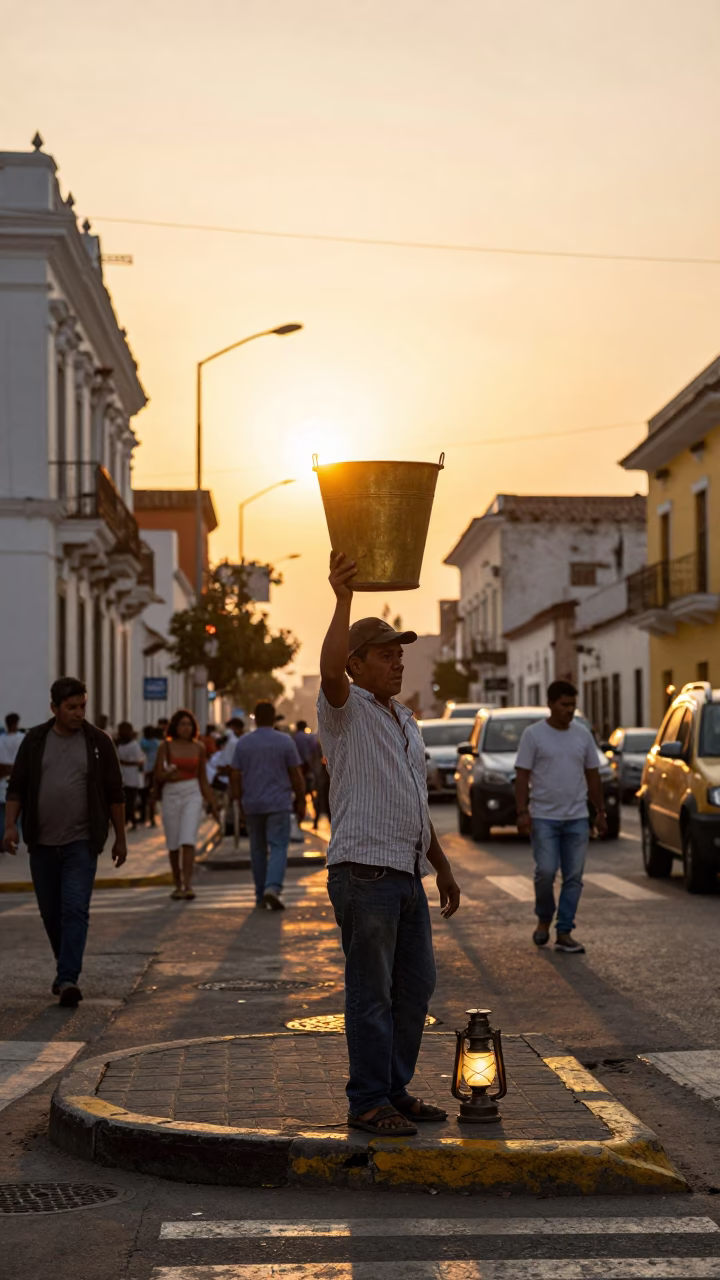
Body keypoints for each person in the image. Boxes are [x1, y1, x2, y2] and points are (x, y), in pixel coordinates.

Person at [319, 551, 461, 1137]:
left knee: (415, 988)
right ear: (356, 665)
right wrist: (342, 597)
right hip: (363, 874)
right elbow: (326, 670)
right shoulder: (344, 710)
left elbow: (414, 802)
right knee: (370, 992)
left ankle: (394, 1088)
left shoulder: (405, 720)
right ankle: (367, 1100)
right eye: (385, 655)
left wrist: (443, 867)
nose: (397, 663)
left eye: (401, 655)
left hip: (406, 876)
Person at [2, 677, 126, 1006]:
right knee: (51, 913)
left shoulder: (99, 742)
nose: (79, 713)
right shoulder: (35, 740)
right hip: (41, 842)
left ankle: (69, 977)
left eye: (82, 706)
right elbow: (17, 786)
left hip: (81, 843)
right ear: (54, 708)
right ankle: (65, 969)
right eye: (71, 707)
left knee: (75, 910)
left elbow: (116, 794)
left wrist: (120, 839)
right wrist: (10, 827)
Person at [515, 679, 607, 955]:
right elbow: (522, 776)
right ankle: (544, 919)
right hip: (544, 817)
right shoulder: (533, 735)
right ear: (551, 705)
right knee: (544, 872)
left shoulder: (582, 735)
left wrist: (600, 812)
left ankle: (564, 931)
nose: (569, 710)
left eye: (572, 705)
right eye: (564, 705)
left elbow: (593, 775)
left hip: (577, 817)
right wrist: (522, 812)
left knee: (574, 877)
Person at [230, 701, 306, 910]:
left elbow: (235, 775)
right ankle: (272, 887)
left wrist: (237, 800)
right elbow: (295, 774)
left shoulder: (243, 743)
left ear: (254, 717)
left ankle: (259, 895)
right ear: (274, 718)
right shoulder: (284, 742)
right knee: (279, 846)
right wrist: (301, 800)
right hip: (279, 803)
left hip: (252, 803)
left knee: (257, 849)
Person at [154, 709, 220, 900]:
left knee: (188, 839)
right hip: (171, 793)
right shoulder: (165, 747)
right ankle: (177, 884)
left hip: (192, 792)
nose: (186, 728)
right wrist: (168, 775)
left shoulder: (198, 747)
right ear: (175, 726)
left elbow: (202, 778)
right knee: (173, 842)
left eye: (189, 724)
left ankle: (188, 885)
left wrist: (212, 803)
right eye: (182, 724)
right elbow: (158, 774)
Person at [0, 713, 24, 845]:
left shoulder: (1, 739)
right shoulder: (22, 738)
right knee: (17, 812)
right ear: (16, 723)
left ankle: (4, 837)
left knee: (3, 813)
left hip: (3, 778)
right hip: (18, 777)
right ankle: (14, 837)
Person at [116, 722, 145, 830]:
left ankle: (130, 821)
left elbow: (139, 761)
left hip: (132, 777)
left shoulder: (134, 745)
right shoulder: (117, 743)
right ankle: (126, 821)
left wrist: (124, 762)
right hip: (121, 776)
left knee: (130, 802)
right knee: (123, 801)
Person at [139, 725, 160, 826]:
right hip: (153, 771)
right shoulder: (156, 742)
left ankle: (145, 817)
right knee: (151, 795)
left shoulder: (143, 742)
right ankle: (151, 818)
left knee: (144, 794)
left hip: (146, 771)